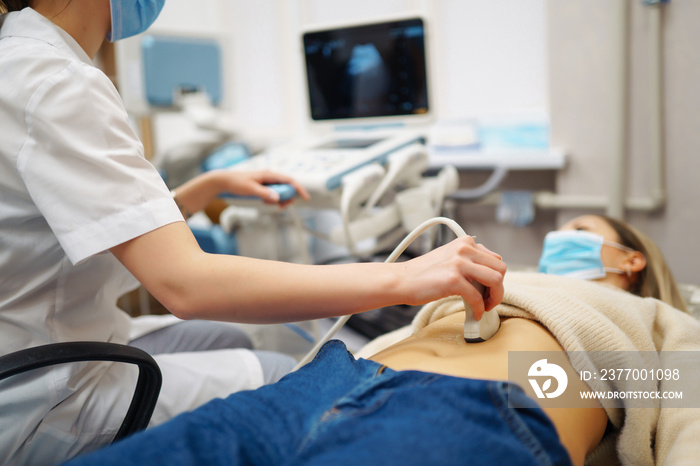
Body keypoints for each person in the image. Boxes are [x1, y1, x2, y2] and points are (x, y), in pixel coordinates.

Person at [0, 1, 507, 464]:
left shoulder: (23, 62)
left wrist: (210, 186)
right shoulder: (55, 81)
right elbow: (186, 284)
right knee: (276, 373)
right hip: (46, 395)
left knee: (229, 335)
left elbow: (106, 222)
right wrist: (402, 278)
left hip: (54, 340)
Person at [63, 214, 700, 466]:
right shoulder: (495, 277)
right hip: (324, 383)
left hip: (460, 410)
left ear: (631, 259)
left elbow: (689, 418)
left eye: (582, 227)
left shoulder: (644, 320)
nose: (562, 232)